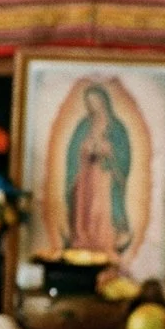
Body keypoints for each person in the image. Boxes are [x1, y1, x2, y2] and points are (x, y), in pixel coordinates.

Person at [59, 82, 135, 256]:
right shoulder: (84, 125)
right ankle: (83, 241)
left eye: (96, 102)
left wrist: (109, 151)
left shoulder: (116, 127)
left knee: (100, 209)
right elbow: (73, 151)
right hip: (86, 174)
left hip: (105, 176)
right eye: (90, 103)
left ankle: (105, 243)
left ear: (104, 102)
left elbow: (124, 154)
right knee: (85, 207)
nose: (93, 106)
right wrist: (84, 149)